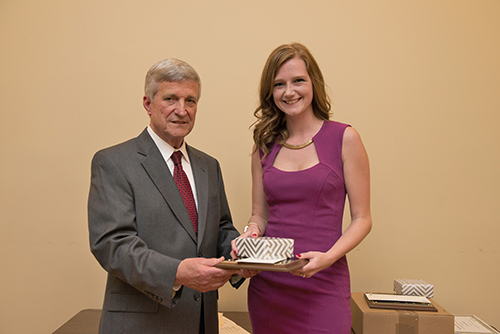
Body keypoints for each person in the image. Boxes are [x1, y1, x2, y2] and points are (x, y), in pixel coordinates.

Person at [88, 58, 248, 334]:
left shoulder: (209, 166)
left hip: (202, 322)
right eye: (171, 98)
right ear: (148, 104)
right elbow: (112, 245)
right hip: (141, 324)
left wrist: (241, 255)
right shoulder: (113, 162)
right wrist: (178, 273)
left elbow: (221, 229)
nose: (182, 110)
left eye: (191, 100)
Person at [233, 43, 372, 333]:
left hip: (323, 282)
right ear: (270, 93)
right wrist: (249, 236)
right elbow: (259, 215)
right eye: (279, 84)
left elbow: (362, 219)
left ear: (314, 84)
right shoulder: (263, 145)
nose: (289, 91)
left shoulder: (345, 138)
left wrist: (329, 258)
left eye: (298, 81)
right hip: (269, 288)